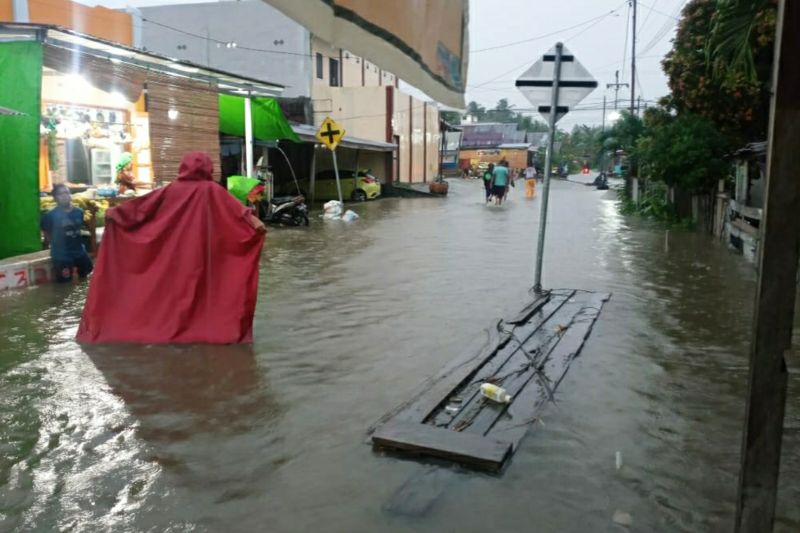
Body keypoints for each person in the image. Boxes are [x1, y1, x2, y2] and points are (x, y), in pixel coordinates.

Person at [77, 151, 267, 345]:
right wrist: (257, 227)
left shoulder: (172, 190)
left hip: (174, 256)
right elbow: (243, 215)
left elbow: (141, 209)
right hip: (201, 255)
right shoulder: (212, 190)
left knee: (174, 293)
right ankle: (202, 327)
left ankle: (172, 327)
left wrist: (115, 214)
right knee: (200, 292)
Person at [40, 184, 94, 283]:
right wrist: (53, 245)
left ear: (70, 195)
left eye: (66, 192)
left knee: (89, 277)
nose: (64, 195)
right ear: (55, 198)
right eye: (60, 194)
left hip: (79, 252)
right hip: (61, 255)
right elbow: (46, 233)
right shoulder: (49, 216)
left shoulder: (79, 212)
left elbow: (83, 228)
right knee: (64, 285)